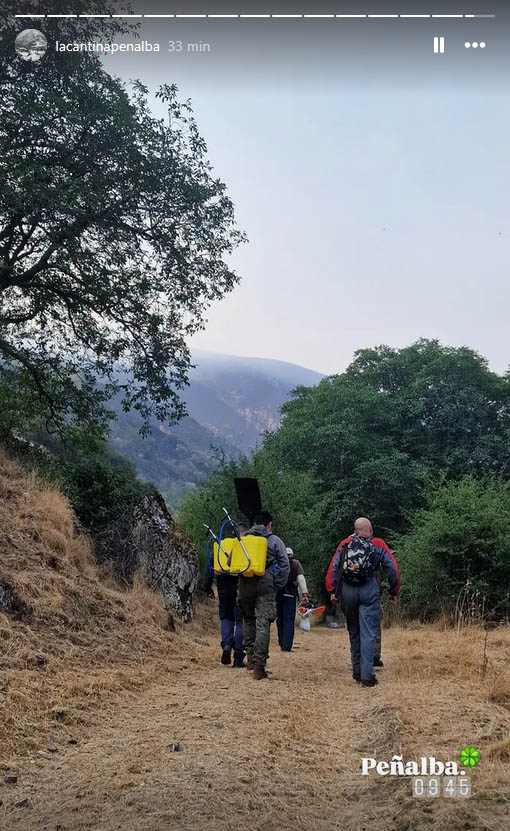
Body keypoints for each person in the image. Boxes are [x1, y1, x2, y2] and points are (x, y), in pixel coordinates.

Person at [328, 517, 400, 687]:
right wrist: (393, 590)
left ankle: (357, 671)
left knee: (354, 631)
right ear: (370, 530)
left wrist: (332, 590)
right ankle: (367, 676)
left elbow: (334, 567)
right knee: (368, 633)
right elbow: (392, 569)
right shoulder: (378, 544)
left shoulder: (345, 543)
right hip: (369, 591)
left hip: (348, 592)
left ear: (355, 530)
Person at [238, 511, 290, 680]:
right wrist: (277, 584)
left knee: (248, 619)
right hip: (265, 584)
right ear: (269, 525)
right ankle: (259, 667)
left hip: (245, 584)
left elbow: (232, 559)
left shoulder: (242, 538)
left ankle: (250, 658)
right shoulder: (275, 540)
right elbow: (285, 565)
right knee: (263, 622)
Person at [203, 522, 247, 668]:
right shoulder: (243, 547)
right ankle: (239, 655)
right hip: (240, 588)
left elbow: (210, 569)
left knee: (226, 617)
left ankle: (227, 644)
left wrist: (207, 588)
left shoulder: (220, 547)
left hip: (223, 588)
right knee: (240, 620)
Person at [276, 547, 310, 652]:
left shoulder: (278, 563)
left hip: (278, 594)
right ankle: (287, 645)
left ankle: (281, 642)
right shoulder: (296, 564)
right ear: (292, 555)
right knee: (289, 620)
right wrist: (304, 594)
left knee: (280, 618)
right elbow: (301, 579)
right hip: (290, 594)